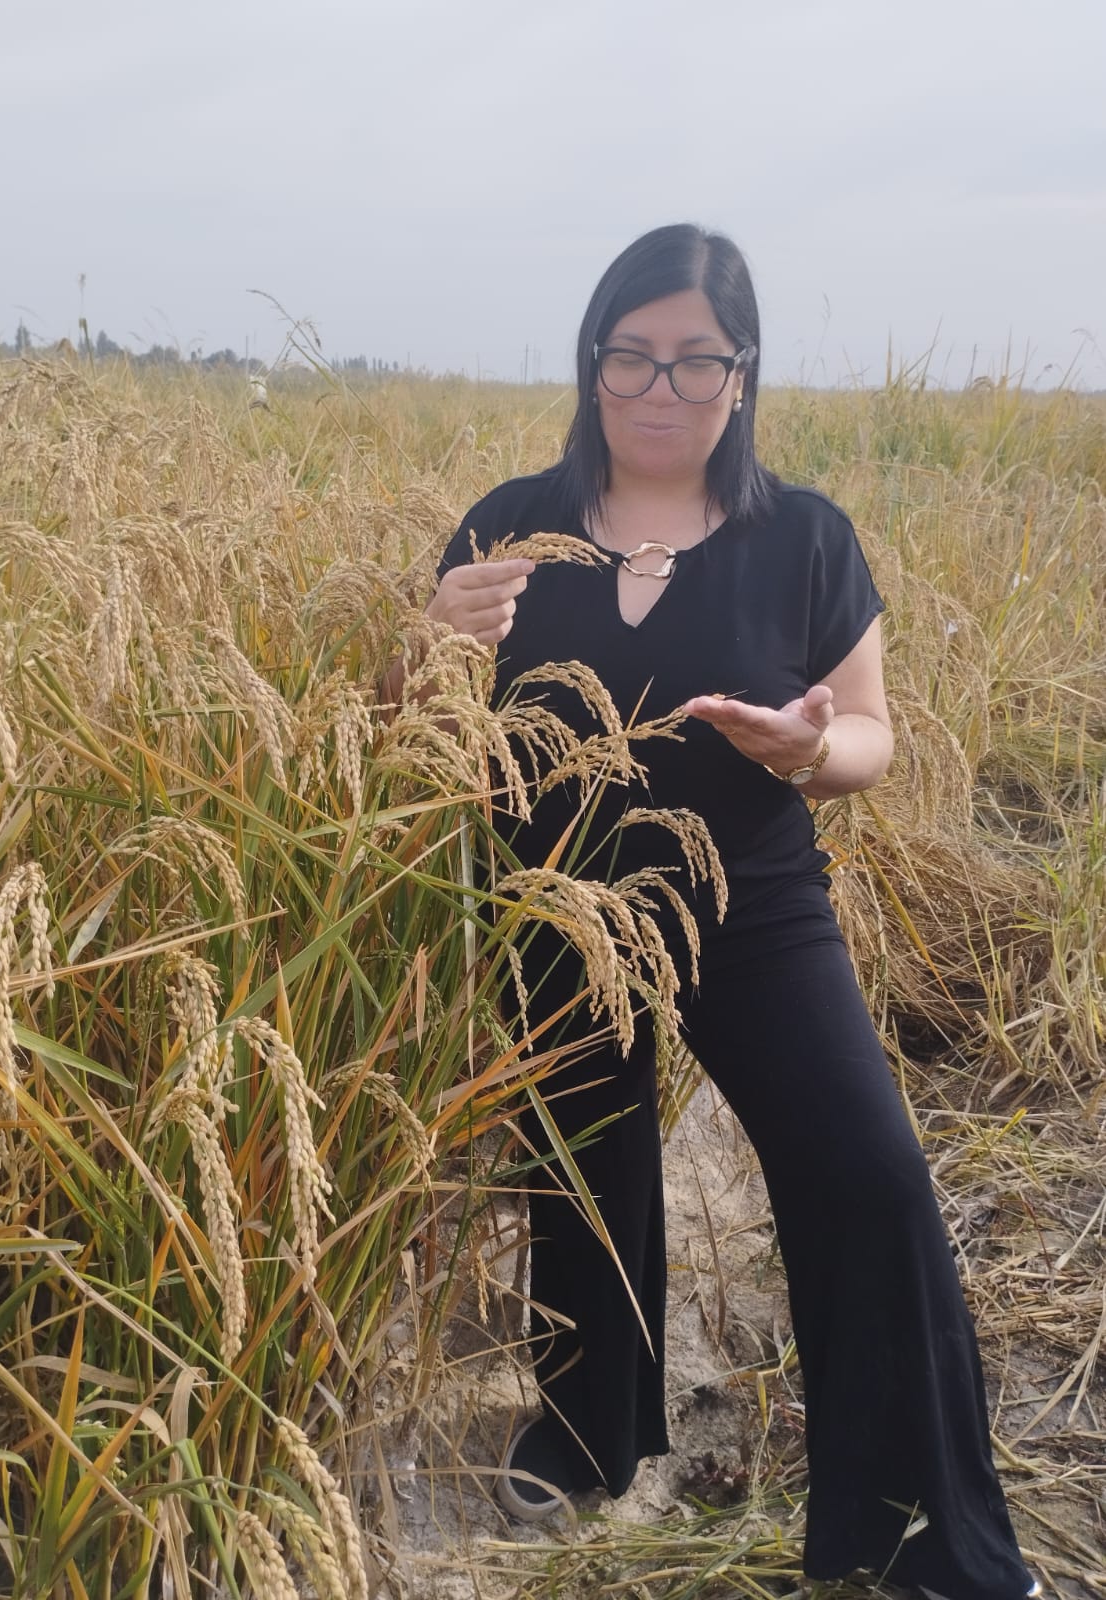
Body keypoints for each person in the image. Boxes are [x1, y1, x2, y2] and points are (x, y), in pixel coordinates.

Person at [417, 225, 1038, 1600]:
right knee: (582, 1176)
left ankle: (917, 1521)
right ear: (590, 362)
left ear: (743, 377)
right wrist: (430, 650)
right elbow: (419, 730)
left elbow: (873, 738)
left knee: (867, 1175)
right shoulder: (505, 526)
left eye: (696, 362)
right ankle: (588, 1437)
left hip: (748, 902)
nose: (659, 387)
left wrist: (811, 748)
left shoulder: (803, 537)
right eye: (630, 355)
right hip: (557, 902)